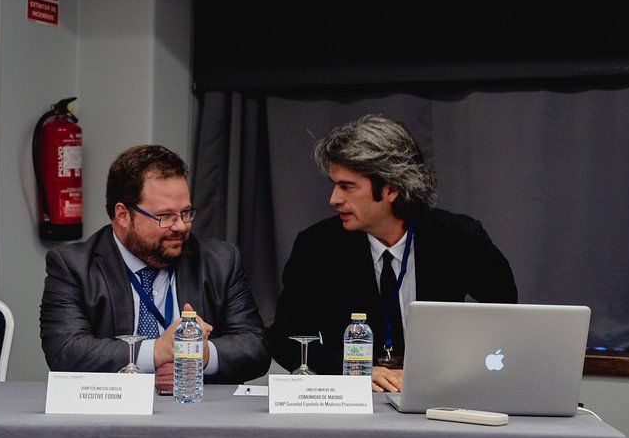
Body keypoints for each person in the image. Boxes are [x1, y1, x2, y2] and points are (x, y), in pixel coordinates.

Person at [268, 115, 517, 392]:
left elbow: (508, 317)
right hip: (355, 399)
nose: (334, 199)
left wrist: (462, 365)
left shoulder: (459, 238)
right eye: (334, 184)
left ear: (391, 189)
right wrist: (353, 370)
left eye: (347, 186)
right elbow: (284, 340)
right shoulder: (317, 247)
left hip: (440, 392)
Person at [40, 144, 270, 384]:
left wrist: (204, 355)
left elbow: (255, 346)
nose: (180, 226)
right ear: (123, 215)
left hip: (194, 404)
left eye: (185, 213)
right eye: (165, 216)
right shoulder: (73, 266)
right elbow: (64, 351)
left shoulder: (220, 262)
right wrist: (158, 350)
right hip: (114, 406)